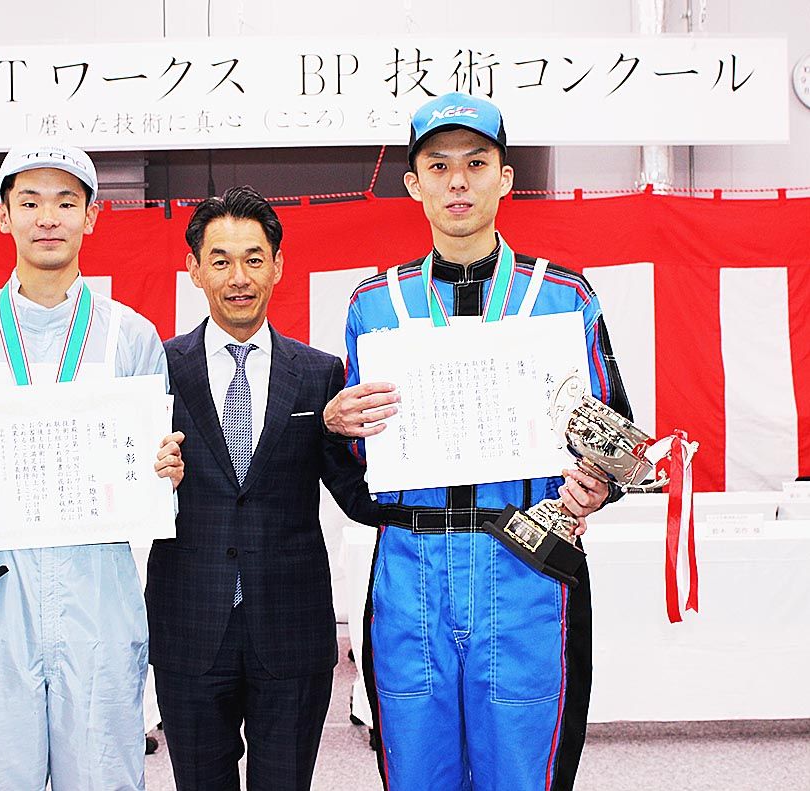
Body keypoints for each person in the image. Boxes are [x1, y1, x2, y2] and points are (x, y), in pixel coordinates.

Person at [323, 93, 632, 791]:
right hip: (412, 566)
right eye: (438, 166)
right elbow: (356, 461)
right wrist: (336, 425)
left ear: (505, 177)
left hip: (525, 562)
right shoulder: (375, 303)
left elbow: (613, 437)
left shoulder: (563, 296)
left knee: (523, 770)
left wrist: (598, 483)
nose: (457, 181)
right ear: (414, 184)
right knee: (416, 769)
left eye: (476, 163)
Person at [0, 142, 184, 791]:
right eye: (29, 202)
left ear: (92, 216)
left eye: (65, 202)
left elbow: (152, 468)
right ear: (3, 216)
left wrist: (164, 468)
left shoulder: (131, 336)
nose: (47, 217)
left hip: (96, 595)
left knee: (104, 775)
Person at [146, 186, 383, 791]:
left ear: (278, 265)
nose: (239, 277)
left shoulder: (320, 374)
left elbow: (358, 498)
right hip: (188, 625)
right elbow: (129, 492)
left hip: (292, 628)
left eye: (254, 259)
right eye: (220, 260)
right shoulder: (156, 370)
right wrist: (147, 476)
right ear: (194, 268)